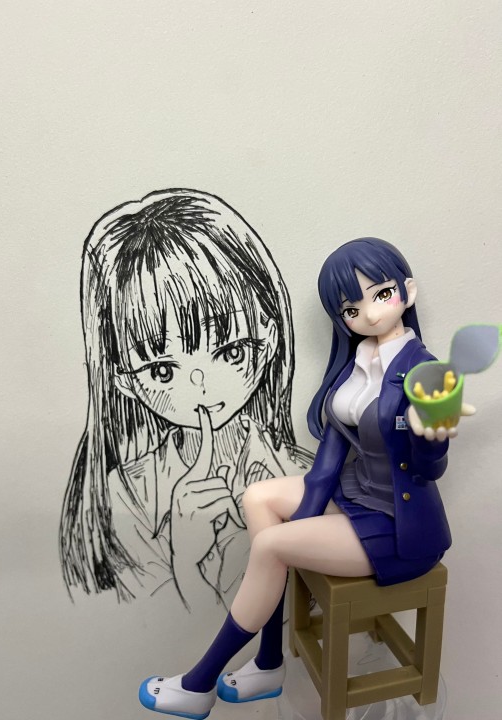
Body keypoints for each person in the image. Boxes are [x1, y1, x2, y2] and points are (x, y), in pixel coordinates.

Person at [139, 237, 472, 719]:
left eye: (381, 294)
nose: (368, 314)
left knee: (270, 547)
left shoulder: (428, 373)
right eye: (351, 309)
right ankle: (269, 662)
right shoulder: (356, 364)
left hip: (401, 525)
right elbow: (328, 463)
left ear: (408, 291)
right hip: (357, 494)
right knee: (259, 498)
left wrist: (431, 437)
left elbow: (427, 470)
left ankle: (199, 684)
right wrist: (306, 523)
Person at [59, 189, 311, 605]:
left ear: (268, 338)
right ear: (124, 380)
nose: (200, 385)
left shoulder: (304, 472)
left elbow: (311, 608)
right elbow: (151, 626)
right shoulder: (125, 497)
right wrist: (186, 561)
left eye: (230, 351)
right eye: (162, 370)